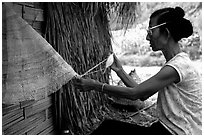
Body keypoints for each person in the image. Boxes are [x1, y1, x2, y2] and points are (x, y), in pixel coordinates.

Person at [73, 6, 202, 135]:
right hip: (167, 130)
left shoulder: (177, 67)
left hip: (177, 133)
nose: (147, 37)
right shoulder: (177, 63)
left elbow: (135, 93)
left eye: (151, 31)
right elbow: (143, 94)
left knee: (108, 128)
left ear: (166, 33)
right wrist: (120, 71)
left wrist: (95, 86)